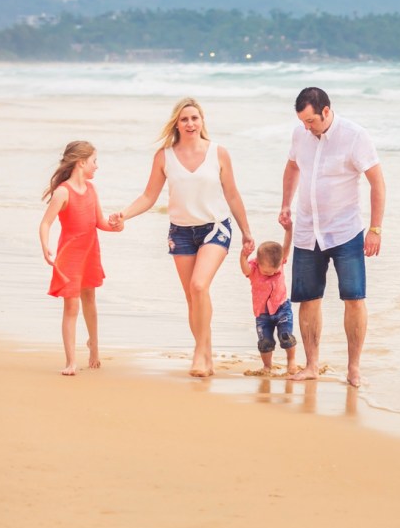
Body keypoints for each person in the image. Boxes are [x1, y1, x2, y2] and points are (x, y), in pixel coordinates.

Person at [111, 97, 255, 377]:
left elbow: (232, 194)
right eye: (184, 119)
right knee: (193, 297)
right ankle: (206, 354)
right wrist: (124, 215)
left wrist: (247, 231)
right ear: (176, 123)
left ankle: (200, 353)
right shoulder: (164, 157)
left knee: (199, 286)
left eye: (194, 118)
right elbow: (149, 196)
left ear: (202, 122)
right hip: (181, 232)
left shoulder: (219, 153)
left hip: (216, 227)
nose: (190, 123)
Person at [279, 87, 385, 387]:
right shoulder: (301, 135)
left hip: (345, 231)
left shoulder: (355, 136)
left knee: (354, 299)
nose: (306, 127)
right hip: (306, 231)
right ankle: (312, 365)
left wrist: (375, 229)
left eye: (311, 121)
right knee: (308, 300)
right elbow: (291, 167)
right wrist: (285, 204)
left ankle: (354, 369)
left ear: (326, 111)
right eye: (302, 121)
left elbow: (377, 183)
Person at [38, 140, 123, 375]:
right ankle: (71, 361)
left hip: (90, 253)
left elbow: (100, 222)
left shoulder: (92, 190)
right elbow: (46, 223)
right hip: (70, 257)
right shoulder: (63, 192)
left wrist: (116, 226)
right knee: (72, 306)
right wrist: (45, 246)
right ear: (81, 162)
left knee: (90, 299)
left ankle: (94, 346)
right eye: (94, 161)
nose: (97, 166)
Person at [239, 224, 299, 376]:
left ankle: (291, 361)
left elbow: (286, 247)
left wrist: (288, 230)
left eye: (275, 270)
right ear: (257, 263)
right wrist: (243, 256)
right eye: (266, 271)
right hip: (262, 313)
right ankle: (267, 366)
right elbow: (245, 269)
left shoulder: (279, 262)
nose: (271, 273)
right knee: (265, 342)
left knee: (286, 336)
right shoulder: (253, 268)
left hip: (282, 308)